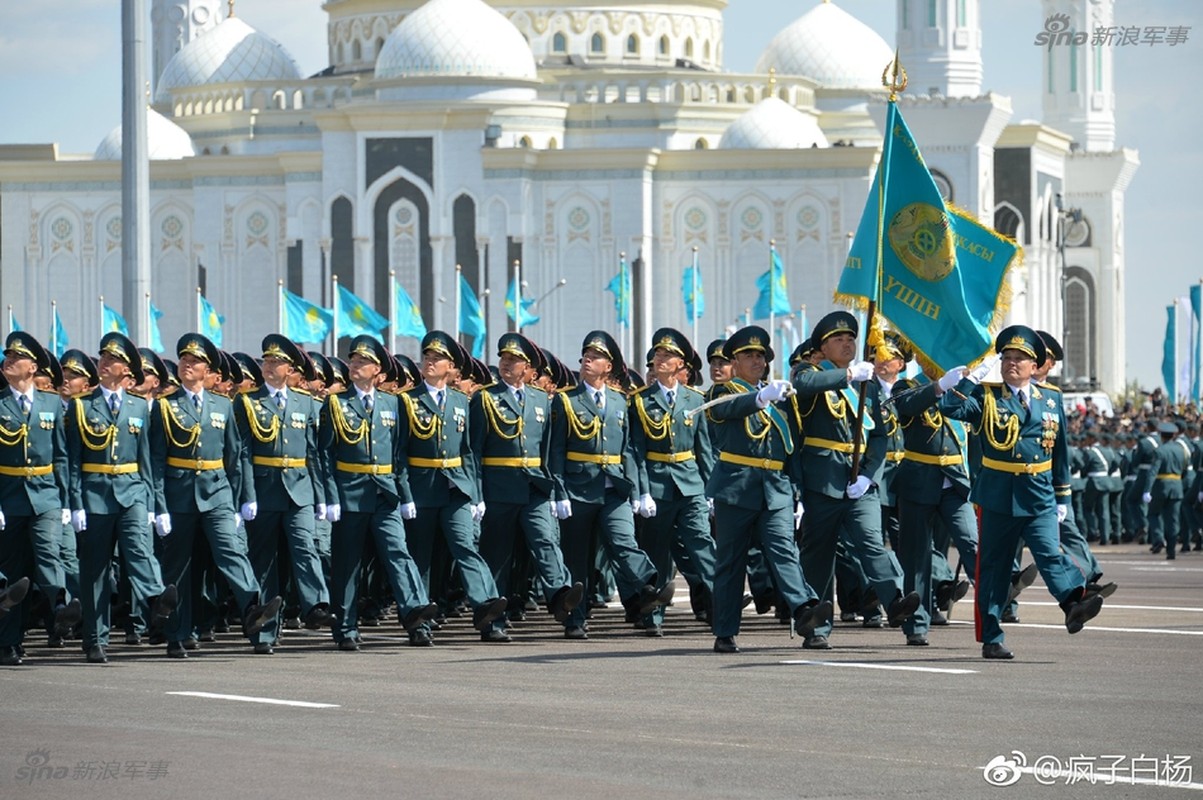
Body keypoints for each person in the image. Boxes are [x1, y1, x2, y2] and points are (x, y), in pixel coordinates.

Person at [936, 325, 1104, 659]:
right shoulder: (986, 397)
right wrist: (971, 380)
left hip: (1040, 494)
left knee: (1049, 552)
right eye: (1007, 358)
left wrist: (1064, 498)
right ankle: (992, 637)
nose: (1012, 363)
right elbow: (949, 409)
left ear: (1034, 365)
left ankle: (1072, 603)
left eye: (1020, 359)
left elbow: (1060, 454)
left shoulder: (1051, 398)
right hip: (998, 496)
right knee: (994, 570)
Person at [791, 312, 920, 649]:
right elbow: (802, 386)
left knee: (872, 543)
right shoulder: (811, 373)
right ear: (823, 346)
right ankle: (817, 627)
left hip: (859, 480)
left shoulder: (868, 384)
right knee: (819, 555)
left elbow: (878, 435)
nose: (847, 343)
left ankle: (893, 601)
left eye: (851, 339)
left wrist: (868, 475)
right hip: (823, 479)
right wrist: (847, 375)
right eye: (838, 339)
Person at [149, 333, 282, 658]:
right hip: (178, 495)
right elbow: (154, 459)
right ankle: (176, 634)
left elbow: (236, 456)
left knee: (232, 553)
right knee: (177, 568)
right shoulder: (166, 407)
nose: (186, 365)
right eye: (183, 360)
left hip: (218, 493)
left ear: (208, 369)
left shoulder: (223, 405)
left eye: (193, 361)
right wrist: (158, 505)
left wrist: (245, 497)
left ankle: (254, 611)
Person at [705, 325, 827, 654]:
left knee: (784, 552)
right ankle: (725, 630)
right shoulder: (722, 390)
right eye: (748, 355)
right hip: (736, 487)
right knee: (730, 561)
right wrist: (759, 398)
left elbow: (792, 448)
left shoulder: (780, 397)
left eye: (760, 355)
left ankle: (805, 613)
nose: (756, 360)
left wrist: (797, 490)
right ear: (734, 361)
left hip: (775, 488)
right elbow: (724, 410)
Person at [548, 330, 671, 640]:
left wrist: (638, 489)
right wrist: (558, 492)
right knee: (577, 557)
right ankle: (575, 620)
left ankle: (648, 586)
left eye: (596, 356)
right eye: (586, 355)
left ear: (609, 366)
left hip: (614, 488)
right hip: (578, 487)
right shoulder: (565, 400)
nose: (588, 360)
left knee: (624, 542)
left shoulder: (619, 401)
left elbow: (628, 448)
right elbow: (556, 451)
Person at [66, 332, 178, 664]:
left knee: (139, 551)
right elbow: (72, 459)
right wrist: (75, 502)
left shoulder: (139, 407)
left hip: (132, 492)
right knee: (96, 570)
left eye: (111, 360)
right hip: (95, 493)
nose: (103, 363)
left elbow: (147, 457)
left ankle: (157, 599)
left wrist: (154, 505)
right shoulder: (81, 406)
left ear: (126, 370)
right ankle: (95, 639)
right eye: (102, 358)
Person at [319, 335, 437, 649]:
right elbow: (325, 454)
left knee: (398, 553)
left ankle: (415, 617)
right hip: (350, 493)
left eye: (363, 362)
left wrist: (405, 494)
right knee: (347, 564)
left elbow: (398, 454)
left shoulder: (393, 403)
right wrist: (331, 497)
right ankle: (345, 629)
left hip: (385, 493)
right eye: (353, 360)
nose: (355, 365)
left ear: (378, 371)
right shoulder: (336, 403)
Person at [395, 331, 507, 642]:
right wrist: (405, 495)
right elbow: (399, 453)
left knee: (466, 548)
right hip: (421, 488)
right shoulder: (407, 400)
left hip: (456, 488)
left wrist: (476, 494)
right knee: (420, 557)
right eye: (426, 357)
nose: (429, 362)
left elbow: (469, 451)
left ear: (452, 367)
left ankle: (487, 610)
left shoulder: (461, 401)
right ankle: (418, 621)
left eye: (437, 358)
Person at [471, 333, 584, 642]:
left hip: (534, 486)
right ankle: (494, 621)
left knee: (545, 540)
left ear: (529, 368)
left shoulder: (539, 400)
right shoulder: (485, 398)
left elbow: (548, 451)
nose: (506, 364)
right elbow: (474, 451)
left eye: (514, 360)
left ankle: (562, 598)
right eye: (503, 359)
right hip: (498, 487)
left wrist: (556, 491)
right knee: (497, 556)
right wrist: (476, 494)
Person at [233, 335, 333, 655]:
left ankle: (316, 605)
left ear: (290, 369)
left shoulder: (305, 402)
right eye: (266, 361)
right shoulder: (248, 401)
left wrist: (322, 496)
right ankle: (264, 631)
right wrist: (246, 495)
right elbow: (242, 453)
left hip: (299, 488)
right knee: (263, 562)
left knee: (305, 546)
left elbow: (315, 454)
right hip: (263, 489)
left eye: (275, 362)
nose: (269, 366)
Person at [629, 327, 716, 636]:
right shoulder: (640, 401)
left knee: (702, 544)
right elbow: (636, 451)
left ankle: (722, 601)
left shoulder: (695, 399)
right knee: (656, 553)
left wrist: (711, 490)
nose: (659, 359)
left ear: (682, 365)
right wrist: (641, 492)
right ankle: (653, 616)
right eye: (657, 354)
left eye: (667, 355)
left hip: (691, 483)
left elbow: (704, 450)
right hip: (657, 485)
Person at [0, 332, 77, 666]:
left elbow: (61, 456)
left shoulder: (49, 404)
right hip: (9, 498)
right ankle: (8, 642)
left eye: (15, 357)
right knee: (15, 574)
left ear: (32, 367)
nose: (7, 361)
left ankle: (60, 606)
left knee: (49, 554)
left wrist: (67, 501)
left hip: (45, 495)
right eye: (7, 356)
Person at [890, 369, 978, 646]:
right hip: (918, 480)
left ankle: (995, 603)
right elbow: (906, 406)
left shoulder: (967, 388)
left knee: (973, 542)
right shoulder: (906, 386)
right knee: (916, 558)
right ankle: (916, 624)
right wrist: (939, 387)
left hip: (955, 482)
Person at [1141, 421, 1188, 560]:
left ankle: (1159, 538)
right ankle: (1171, 550)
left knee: (1153, 514)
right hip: (1177, 486)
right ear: (1174, 435)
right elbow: (1185, 470)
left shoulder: (1160, 450)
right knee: (1173, 520)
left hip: (1161, 486)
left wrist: (1147, 490)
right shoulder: (1182, 450)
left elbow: (1153, 472)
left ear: (1161, 435)